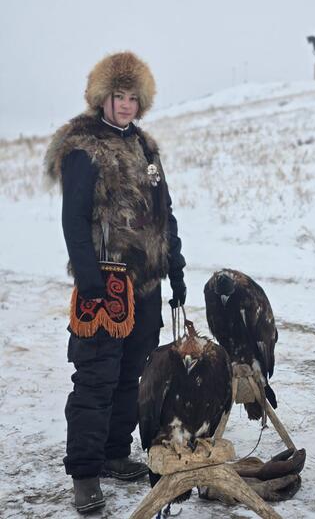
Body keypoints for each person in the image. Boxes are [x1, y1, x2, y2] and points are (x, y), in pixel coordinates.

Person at [44, 52, 186, 513]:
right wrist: (89, 282)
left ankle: (113, 452)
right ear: (101, 97)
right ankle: (85, 474)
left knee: (132, 374)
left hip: (146, 284)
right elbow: (73, 219)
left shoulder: (146, 148)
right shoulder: (83, 147)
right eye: (118, 96)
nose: (125, 105)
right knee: (96, 377)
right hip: (105, 282)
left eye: (132, 98)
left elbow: (165, 212)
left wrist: (176, 266)